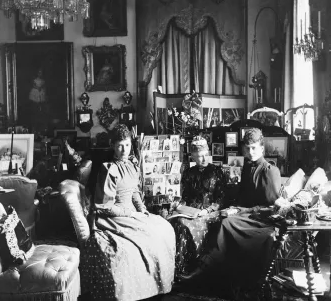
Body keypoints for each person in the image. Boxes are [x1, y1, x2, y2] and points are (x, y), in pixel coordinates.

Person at [81, 125, 175, 301]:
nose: (124, 150)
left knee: (164, 228)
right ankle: (138, 290)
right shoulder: (109, 169)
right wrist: (131, 214)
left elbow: (134, 192)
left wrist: (141, 210)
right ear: (113, 146)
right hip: (113, 217)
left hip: (132, 213)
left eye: (127, 145)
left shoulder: (132, 165)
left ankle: (159, 284)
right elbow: (104, 206)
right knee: (144, 238)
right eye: (119, 146)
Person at [180, 128, 281, 291]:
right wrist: (235, 207)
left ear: (262, 148)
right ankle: (213, 271)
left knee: (227, 223)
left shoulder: (270, 171)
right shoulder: (248, 167)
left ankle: (205, 266)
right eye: (247, 148)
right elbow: (243, 198)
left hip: (263, 219)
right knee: (223, 217)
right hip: (248, 215)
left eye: (254, 148)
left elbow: (272, 207)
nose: (250, 152)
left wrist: (241, 211)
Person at [168, 136, 227, 278]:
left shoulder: (216, 172)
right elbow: (185, 196)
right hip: (192, 211)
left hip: (210, 212)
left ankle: (192, 268)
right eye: (199, 156)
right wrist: (179, 205)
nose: (203, 159)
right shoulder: (189, 173)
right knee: (176, 222)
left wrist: (208, 210)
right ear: (193, 156)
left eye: (205, 155)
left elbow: (222, 198)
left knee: (185, 225)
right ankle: (178, 269)